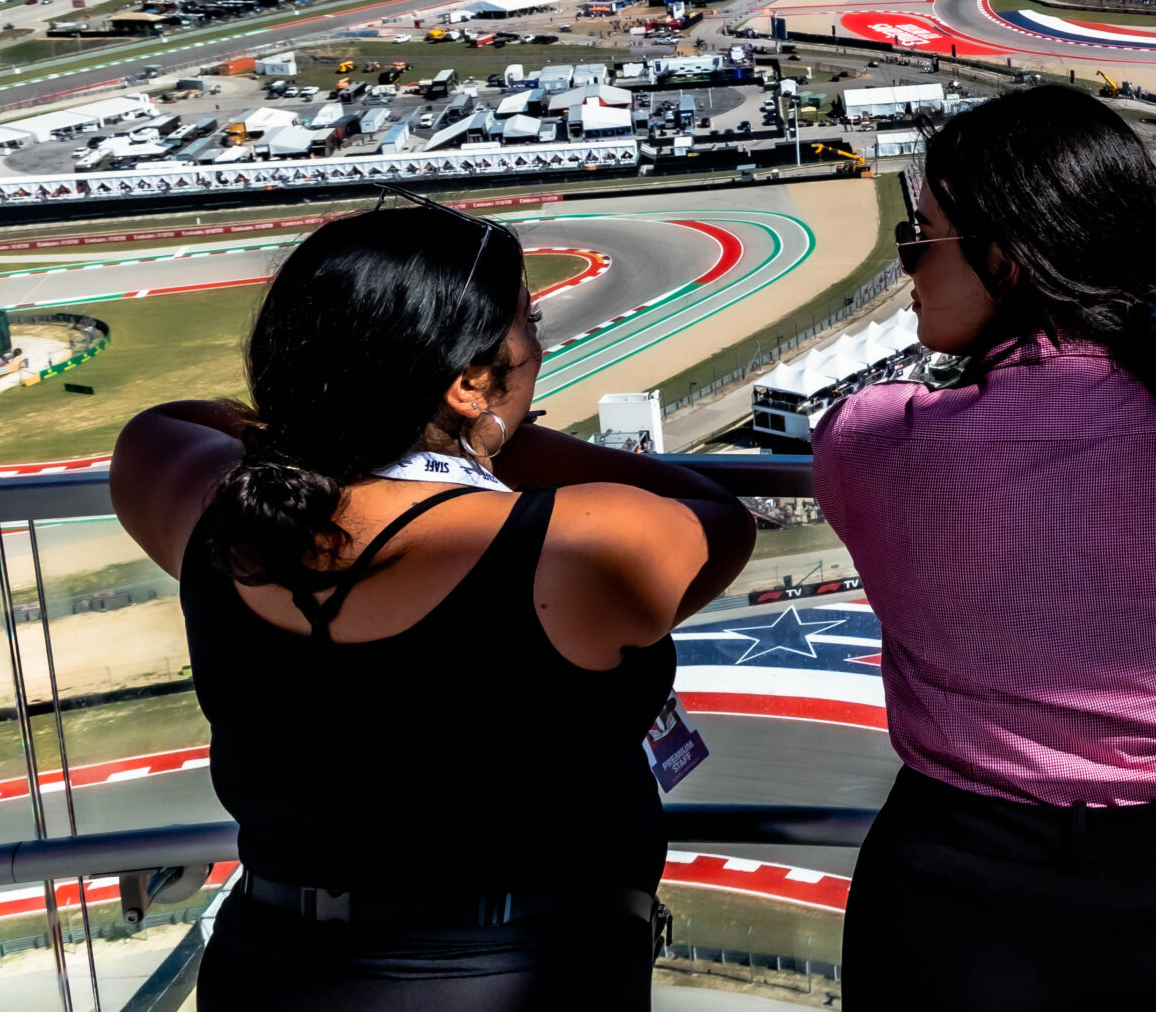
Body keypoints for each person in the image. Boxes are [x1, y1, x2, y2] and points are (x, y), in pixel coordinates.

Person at [112, 196, 755, 1012]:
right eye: (527, 322)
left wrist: (340, 428)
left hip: (269, 963)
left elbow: (166, 423)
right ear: (465, 382)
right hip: (516, 975)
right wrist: (506, 443)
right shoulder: (579, 541)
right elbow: (718, 519)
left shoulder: (213, 511)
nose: (540, 342)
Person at [815, 85, 1156, 1011]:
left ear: (1006, 260)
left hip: (956, 884)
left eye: (920, 238)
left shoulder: (873, 441)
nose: (908, 266)